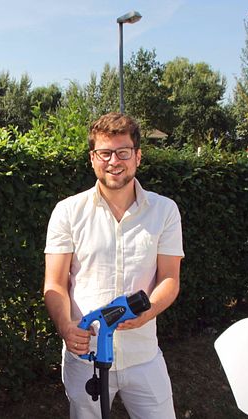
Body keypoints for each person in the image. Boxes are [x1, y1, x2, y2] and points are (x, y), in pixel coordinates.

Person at [43, 112, 184, 418]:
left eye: (123, 152)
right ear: (92, 158)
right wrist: (66, 326)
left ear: (138, 156)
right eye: (104, 153)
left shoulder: (165, 210)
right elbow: (55, 283)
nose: (114, 161)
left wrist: (149, 311)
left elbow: (170, 279)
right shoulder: (67, 212)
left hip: (144, 355)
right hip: (85, 357)